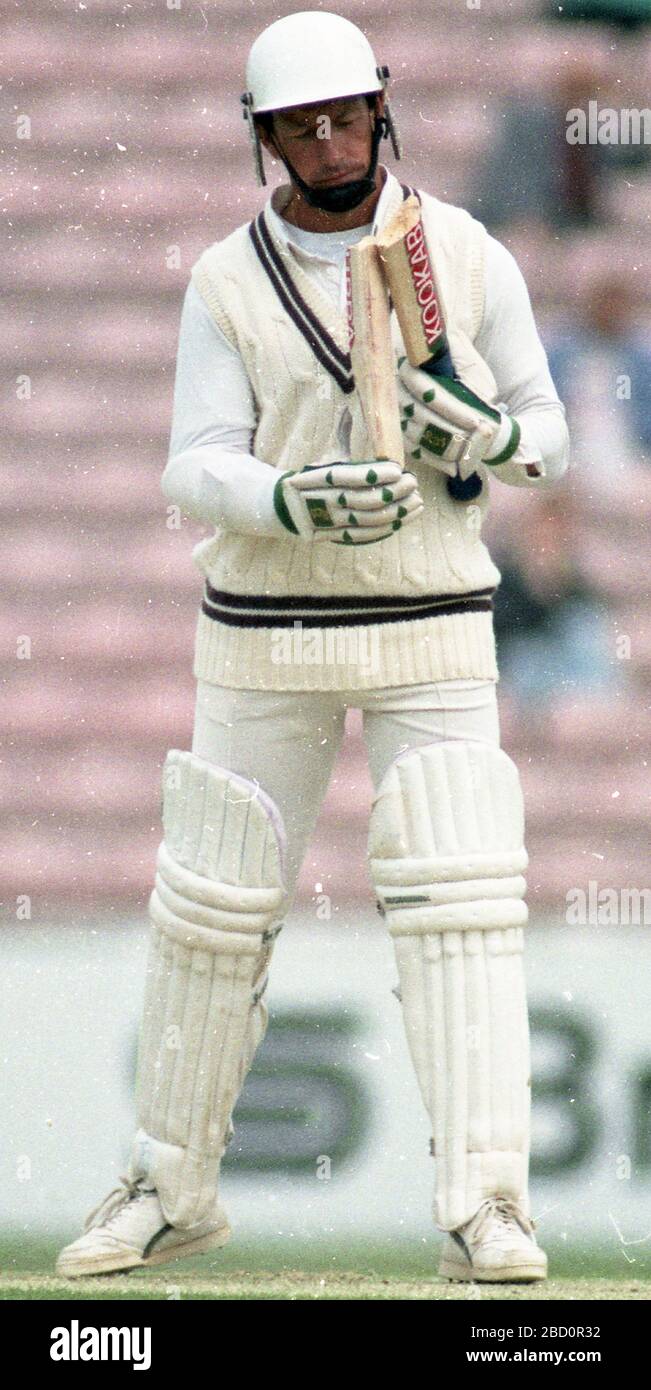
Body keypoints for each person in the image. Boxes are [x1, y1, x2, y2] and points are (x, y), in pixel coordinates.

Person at [56, 10, 569, 1284]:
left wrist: (483, 435)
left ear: (381, 111)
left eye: (345, 115)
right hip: (264, 626)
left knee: (460, 900)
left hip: (432, 617)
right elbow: (192, 460)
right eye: (301, 124)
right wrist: (285, 500)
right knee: (215, 905)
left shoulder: (461, 250)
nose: (329, 140)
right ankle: (169, 1184)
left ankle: (486, 1206)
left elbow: (548, 436)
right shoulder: (228, 279)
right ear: (265, 136)